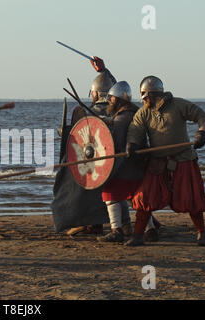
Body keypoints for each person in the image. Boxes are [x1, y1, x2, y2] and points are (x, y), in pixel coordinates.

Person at [125, 76, 205, 246]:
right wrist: (131, 145)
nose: (143, 100)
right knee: (145, 197)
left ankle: (202, 233)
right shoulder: (143, 113)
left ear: (152, 94)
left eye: (145, 96)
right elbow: (135, 131)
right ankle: (138, 235)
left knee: (191, 198)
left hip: (184, 159)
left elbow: (201, 115)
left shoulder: (178, 105)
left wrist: (201, 132)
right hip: (158, 162)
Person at [54, 56, 122, 237]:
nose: (90, 95)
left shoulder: (97, 113)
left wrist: (66, 132)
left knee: (76, 185)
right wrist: (103, 71)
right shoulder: (120, 110)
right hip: (115, 162)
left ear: (97, 93)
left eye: (92, 92)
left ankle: (86, 223)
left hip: (98, 162)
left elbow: (80, 135)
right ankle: (94, 224)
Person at [96, 81, 159, 242]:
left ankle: (116, 230)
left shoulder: (122, 119)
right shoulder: (135, 114)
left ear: (118, 100)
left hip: (124, 166)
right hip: (139, 165)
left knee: (110, 194)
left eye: (111, 98)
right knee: (137, 198)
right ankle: (150, 229)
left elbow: (115, 144)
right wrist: (107, 121)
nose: (109, 101)